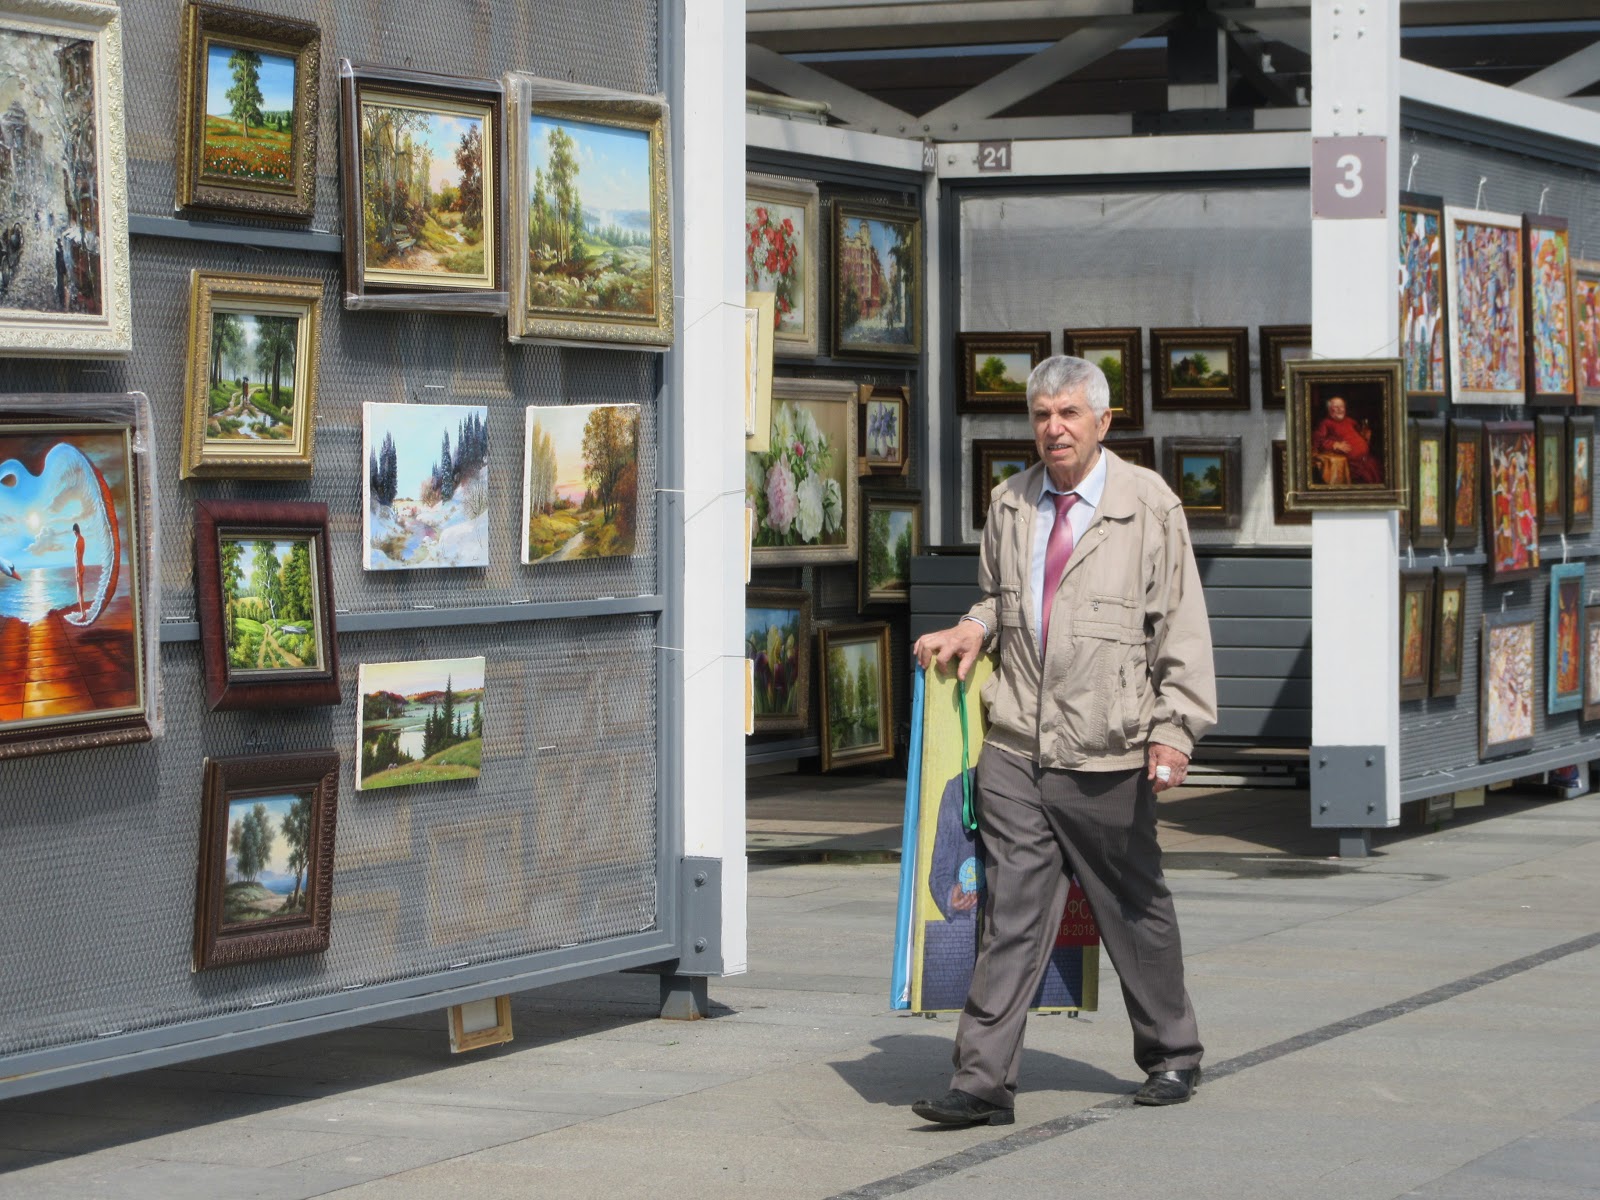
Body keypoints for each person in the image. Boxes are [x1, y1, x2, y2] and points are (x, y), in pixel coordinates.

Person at [910, 355, 1217, 1125]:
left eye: (1069, 414)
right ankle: (981, 1083)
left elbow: (1180, 625)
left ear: (1103, 423)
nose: (1054, 429)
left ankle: (1172, 1054)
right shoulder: (1010, 503)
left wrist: (1175, 730)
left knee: (1133, 905)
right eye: (1042, 415)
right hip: (1016, 744)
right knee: (1009, 913)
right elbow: (998, 596)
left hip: (1106, 750)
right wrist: (974, 626)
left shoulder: (1149, 505)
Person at [1312, 393, 1382, 484]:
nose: (1340, 410)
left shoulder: (1350, 421)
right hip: (1351, 465)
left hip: (1367, 460)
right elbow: (1317, 440)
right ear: (1329, 409)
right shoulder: (1325, 423)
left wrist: (1365, 437)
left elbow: (1358, 435)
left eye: (1342, 407)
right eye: (1336, 407)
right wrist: (1334, 445)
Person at [72, 521, 86, 620]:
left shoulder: (77, 541)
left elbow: (77, 558)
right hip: (82, 566)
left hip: (79, 567)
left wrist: (77, 572)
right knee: (80, 591)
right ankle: (83, 612)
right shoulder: (82, 539)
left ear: (74, 531)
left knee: (79, 593)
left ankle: (83, 615)